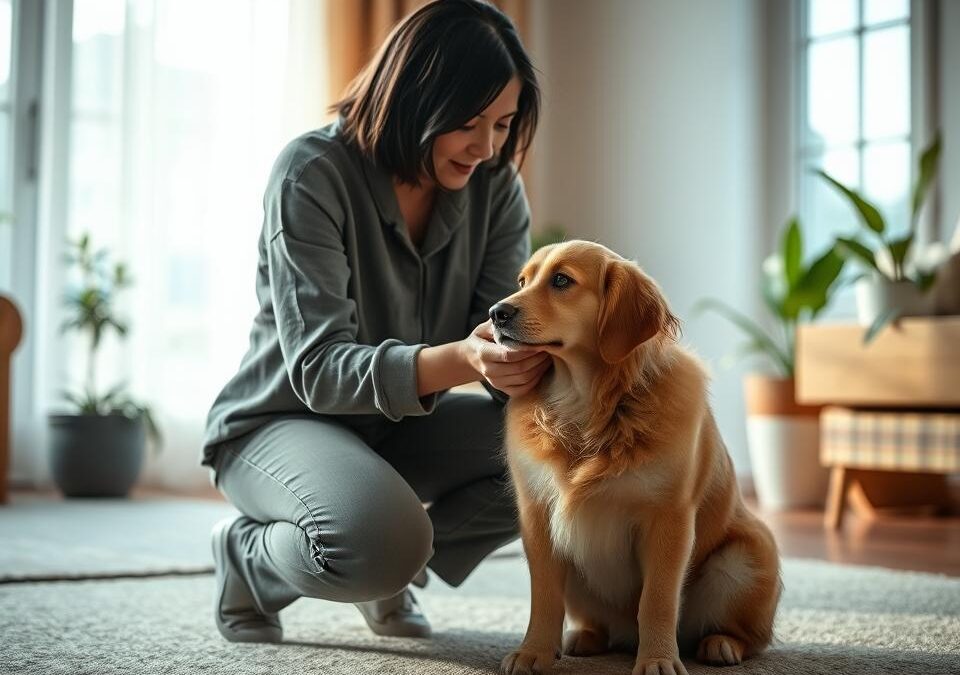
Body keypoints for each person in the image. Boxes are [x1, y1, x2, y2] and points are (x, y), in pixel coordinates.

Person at [202, 0, 546, 644]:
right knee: (378, 542)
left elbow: (498, 332)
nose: (488, 147)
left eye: (502, 124)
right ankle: (251, 559)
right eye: (469, 122)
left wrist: (528, 358)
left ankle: (389, 559)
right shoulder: (312, 173)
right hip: (278, 422)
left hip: (395, 427)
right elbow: (319, 369)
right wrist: (464, 360)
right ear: (417, 97)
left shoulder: (494, 186)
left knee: (562, 453)